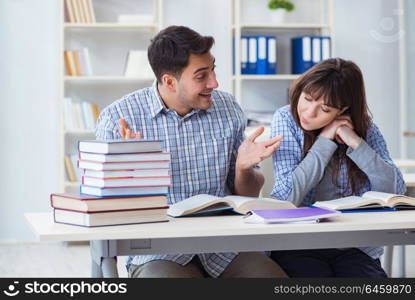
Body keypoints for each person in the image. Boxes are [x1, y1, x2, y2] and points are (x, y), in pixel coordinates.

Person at [95, 25, 286, 278]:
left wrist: (242, 168)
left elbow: (246, 196)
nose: (214, 83)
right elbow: (111, 212)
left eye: (213, 69)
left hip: (225, 245)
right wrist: (132, 168)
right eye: (201, 76)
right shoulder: (119, 118)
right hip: (159, 250)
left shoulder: (227, 108)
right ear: (169, 81)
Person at [269, 57, 406, 277]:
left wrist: (355, 142)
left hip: (354, 246)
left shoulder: (365, 127)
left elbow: (394, 190)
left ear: (343, 110)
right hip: (299, 243)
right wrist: (325, 141)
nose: (308, 112)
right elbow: (285, 197)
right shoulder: (286, 119)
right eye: (307, 98)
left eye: (324, 109)